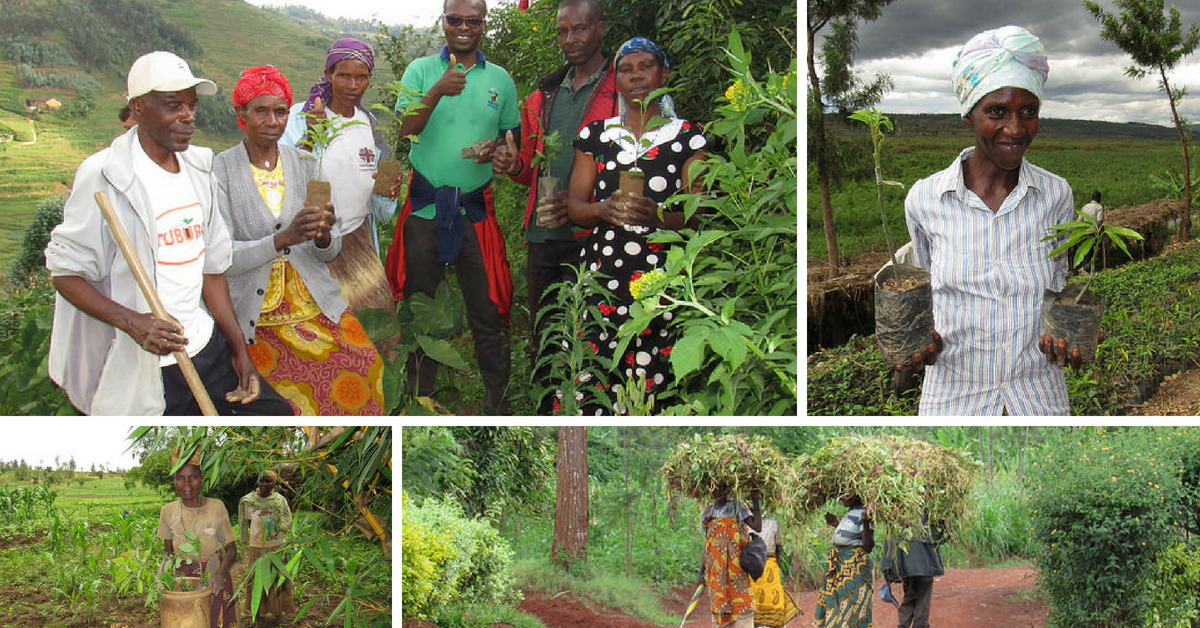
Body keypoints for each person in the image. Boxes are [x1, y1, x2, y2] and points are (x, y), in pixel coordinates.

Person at [45, 50, 294, 415]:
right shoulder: (106, 175)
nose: (188, 117)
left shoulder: (198, 169)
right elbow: (66, 274)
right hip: (146, 365)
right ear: (138, 108)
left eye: (191, 106)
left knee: (277, 416)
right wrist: (134, 323)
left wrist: (240, 353)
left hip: (205, 348)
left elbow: (211, 270)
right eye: (173, 105)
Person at [899, 25, 1083, 415]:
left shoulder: (1056, 195)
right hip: (953, 394)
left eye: (1028, 112)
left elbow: (1060, 284)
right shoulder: (926, 199)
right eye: (996, 111)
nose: (1015, 129)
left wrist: (1067, 332)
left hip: (1038, 392)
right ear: (969, 113)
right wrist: (916, 344)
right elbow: (923, 291)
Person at [215, 66, 384, 415]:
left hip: (313, 302)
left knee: (368, 366)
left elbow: (330, 249)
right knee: (293, 401)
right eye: (260, 111)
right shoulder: (221, 171)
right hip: (256, 316)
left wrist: (323, 235)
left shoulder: (305, 164)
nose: (272, 121)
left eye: (280, 111)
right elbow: (222, 258)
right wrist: (282, 239)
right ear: (240, 115)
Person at [383, 0, 520, 414]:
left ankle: (497, 404)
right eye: (455, 20)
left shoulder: (500, 79)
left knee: (488, 308)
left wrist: (498, 151)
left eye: (473, 21)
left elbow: (511, 143)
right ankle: (419, 401)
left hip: (475, 211)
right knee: (420, 306)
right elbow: (404, 129)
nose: (463, 28)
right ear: (443, 23)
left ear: (484, 24)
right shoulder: (421, 71)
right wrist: (438, 90)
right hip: (426, 210)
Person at [565, 37, 707, 414]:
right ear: (616, 81)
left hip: (664, 283)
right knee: (595, 374)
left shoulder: (688, 138)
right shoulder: (596, 137)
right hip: (604, 280)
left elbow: (701, 214)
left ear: (664, 73)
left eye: (645, 66)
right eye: (626, 69)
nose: (636, 76)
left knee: (657, 376)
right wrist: (602, 210)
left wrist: (658, 217)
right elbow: (575, 206)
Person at [490, 0, 618, 413]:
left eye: (579, 30)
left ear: (600, 28)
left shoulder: (624, 85)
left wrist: (588, 202)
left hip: (596, 231)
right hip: (545, 231)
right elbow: (529, 169)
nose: (571, 40)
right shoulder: (543, 95)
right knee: (545, 328)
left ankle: (592, 408)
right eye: (563, 32)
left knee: (594, 327)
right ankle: (548, 408)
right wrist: (512, 164)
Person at [281, 37, 401, 314]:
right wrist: (312, 137)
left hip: (358, 239)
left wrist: (387, 190)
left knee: (379, 325)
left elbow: (382, 211)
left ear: (370, 78)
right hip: (312, 240)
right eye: (344, 76)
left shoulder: (368, 124)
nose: (352, 85)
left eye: (361, 77)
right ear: (328, 75)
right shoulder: (298, 118)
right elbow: (282, 178)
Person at [157, 448, 238, 628]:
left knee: (213, 621)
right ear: (174, 481)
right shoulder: (167, 511)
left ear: (201, 480)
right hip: (181, 579)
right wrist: (160, 574)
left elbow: (232, 550)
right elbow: (168, 553)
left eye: (192, 477)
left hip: (212, 576)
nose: (187, 483)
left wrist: (219, 574)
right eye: (180, 478)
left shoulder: (216, 507)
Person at [699, 485, 762, 628]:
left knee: (742, 608)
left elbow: (757, 526)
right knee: (720, 612)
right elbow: (708, 545)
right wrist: (701, 573)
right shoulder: (708, 512)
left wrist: (755, 500)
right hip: (716, 574)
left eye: (722, 488)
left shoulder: (737, 506)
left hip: (736, 572)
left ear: (728, 489)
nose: (719, 491)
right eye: (715, 487)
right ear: (710, 489)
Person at [239, 469, 295, 625]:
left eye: (268, 481)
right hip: (257, 548)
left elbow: (287, 518)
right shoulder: (249, 501)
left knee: (277, 581)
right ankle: (257, 616)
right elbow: (247, 522)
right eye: (261, 480)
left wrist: (278, 530)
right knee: (257, 581)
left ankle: (278, 615)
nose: (264, 484)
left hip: (276, 548)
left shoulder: (280, 500)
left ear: (274, 484)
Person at [813, 493, 874, 628]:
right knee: (841, 604)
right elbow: (850, 536)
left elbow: (868, 546)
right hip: (841, 567)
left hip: (855, 568)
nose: (842, 498)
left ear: (856, 496)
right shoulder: (850, 512)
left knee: (853, 606)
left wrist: (865, 522)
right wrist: (836, 524)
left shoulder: (865, 513)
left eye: (846, 495)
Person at [881, 522, 948, 628]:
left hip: (907, 562)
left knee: (909, 594)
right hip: (926, 562)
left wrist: (888, 567)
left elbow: (891, 539)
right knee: (923, 596)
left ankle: (903, 624)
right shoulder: (929, 516)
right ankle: (920, 624)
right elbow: (944, 535)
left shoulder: (901, 514)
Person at [749, 513, 799, 627]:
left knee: (769, 598)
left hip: (764, 566)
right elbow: (778, 549)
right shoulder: (746, 522)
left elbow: (778, 548)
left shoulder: (772, 522)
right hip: (761, 566)